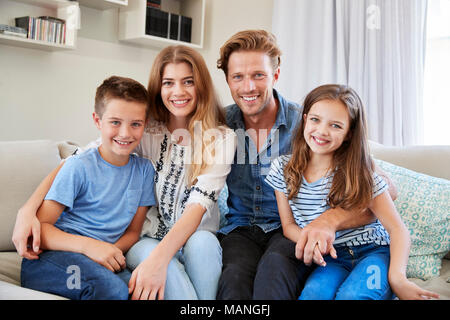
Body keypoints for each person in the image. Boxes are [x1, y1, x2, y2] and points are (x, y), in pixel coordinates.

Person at [13, 45, 236, 300]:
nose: (178, 91)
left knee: (200, 246)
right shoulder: (146, 130)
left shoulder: (219, 139)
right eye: (168, 82)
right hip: (132, 242)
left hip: (190, 235)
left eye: (188, 81)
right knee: (123, 286)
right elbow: (78, 159)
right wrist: (26, 210)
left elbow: (197, 205)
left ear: (202, 85)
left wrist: (132, 255)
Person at [215, 29, 398, 300]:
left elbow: (388, 191)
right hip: (241, 229)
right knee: (234, 278)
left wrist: (331, 219)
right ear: (228, 81)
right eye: (238, 77)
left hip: (294, 229)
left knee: (275, 267)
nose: (248, 87)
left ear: (275, 75)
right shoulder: (221, 125)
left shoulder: (312, 124)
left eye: (258, 75)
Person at [265, 84, 439, 300]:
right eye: (315, 120)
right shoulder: (282, 169)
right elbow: (288, 225)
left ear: (349, 133)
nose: (322, 131)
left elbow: (397, 228)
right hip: (331, 259)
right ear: (305, 120)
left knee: (353, 296)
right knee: (313, 295)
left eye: (336, 125)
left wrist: (398, 278)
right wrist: (311, 241)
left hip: (373, 253)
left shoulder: (359, 172)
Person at [20, 76, 156, 300]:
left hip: (97, 260)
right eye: (115, 122)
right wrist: (89, 247)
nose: (125, 133)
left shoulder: (143, 171)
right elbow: (42, 229)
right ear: (97, 120)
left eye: (135, 124)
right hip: (50, 261)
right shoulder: (78, 166)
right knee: (112, 290)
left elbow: (133, 232)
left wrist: (108, 252)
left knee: (142, 289)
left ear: (145, 124)